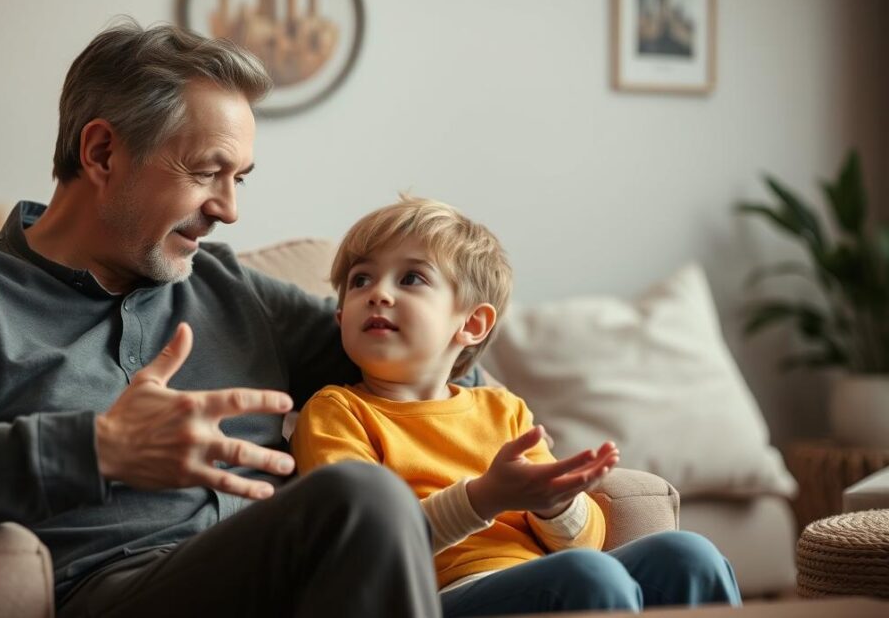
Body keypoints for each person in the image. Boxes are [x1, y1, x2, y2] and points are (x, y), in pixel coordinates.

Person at [0, 21, 458, 617]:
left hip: (302, 582)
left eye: (238, 179)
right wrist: (103, 449)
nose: (228, 209)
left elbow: (427, 363)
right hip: (116, 590)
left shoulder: (228, 285)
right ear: (102, 153)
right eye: (207, 172)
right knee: (363, 497)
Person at [290, 196, 742, 617]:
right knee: (588, 576)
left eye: (411, 278)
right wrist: (484, 498)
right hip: (430, 599)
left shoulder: (502, 409)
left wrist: (556, 505)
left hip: (541, 577)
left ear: (472, 323)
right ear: (341, 317)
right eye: (360, 280)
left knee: (690, 555)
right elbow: (361, 550)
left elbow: (584, 544)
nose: (378, 293)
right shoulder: (337, 412)